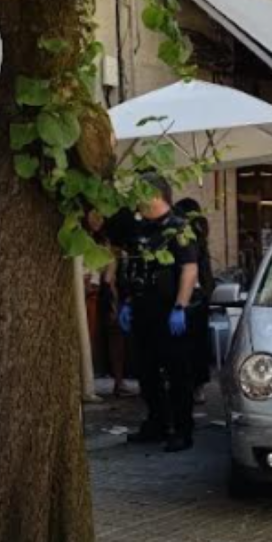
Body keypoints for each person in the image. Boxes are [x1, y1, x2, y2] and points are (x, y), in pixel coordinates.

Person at [118, 177, 202, 452]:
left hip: (170, 310)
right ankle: (156, 423)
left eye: (141, 194)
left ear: (156, 196)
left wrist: (180, 306)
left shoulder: (178, 228)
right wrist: (128, 301)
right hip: (143, 308)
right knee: (147, 373)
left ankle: (182, 429)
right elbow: (132, 267)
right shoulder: (139, 228)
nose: (136, 201)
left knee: (177, 374)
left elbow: (189, 269)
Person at [173, 198, 216, 401]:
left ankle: (193, 385)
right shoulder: (197, 235)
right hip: (195, 296)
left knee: (191, 344)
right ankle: (193, 385)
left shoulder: (191, 236)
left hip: (192, 296)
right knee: (194, 344)